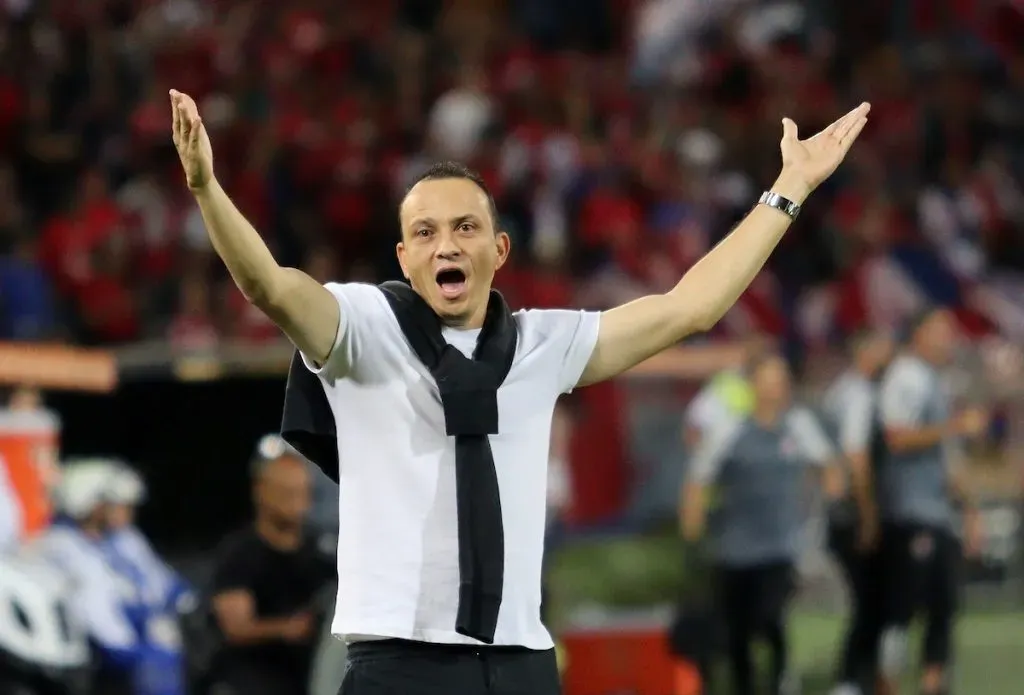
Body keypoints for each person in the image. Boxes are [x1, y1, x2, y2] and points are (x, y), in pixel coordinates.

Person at [169, 84, 870, 694]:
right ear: (404, 256)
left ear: (498, 250)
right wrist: (207, 189)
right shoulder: (363, 325)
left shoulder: (541, 343)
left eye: (466, 227)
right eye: (426, 231)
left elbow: (690, 307)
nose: (447, 244)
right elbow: (267, 283)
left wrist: (789, 192)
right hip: (397, 663)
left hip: (521, 661)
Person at [682, 352, 842, 695]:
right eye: (769, 380)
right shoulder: (730, 429)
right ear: (753, 385)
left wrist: (829, 495)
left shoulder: (798, 425)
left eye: (781, 380)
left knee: (771, 616)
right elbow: (698, 478)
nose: (777, 388)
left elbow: (828, 464)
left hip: (782, 543)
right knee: (738, 629)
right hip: (735, 545)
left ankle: (782, 679)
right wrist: (692, 527)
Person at [875, 307, 987, 695]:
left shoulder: (934, 380)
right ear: (919, 333)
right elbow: (897, 437)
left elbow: (947, 459)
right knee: (903, 609)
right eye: (941, 329)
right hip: (909, 511)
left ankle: (932, 686)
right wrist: (954, 426)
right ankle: (887, 683)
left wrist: (970, 511)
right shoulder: (906, 377)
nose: (949, 337)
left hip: (937, 512)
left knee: (944, 605)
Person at [207, 435, 334, 695]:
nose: (296, 501)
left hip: (312, 676)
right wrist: (288, 628)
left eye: (300, 492)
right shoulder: (240, 552)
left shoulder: (322, 551)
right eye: (285, 492)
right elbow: (236, 627)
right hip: (252, 679)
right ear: (260, 490)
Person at [822, 330, 894, 695]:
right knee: (871, 602)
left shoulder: (844, 390)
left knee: (870, 601)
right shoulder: (859, 394)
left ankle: (864, 678)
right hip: (851, 513)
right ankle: (852, 681)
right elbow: (856, 457)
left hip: (841, 512)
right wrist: (868, 514)